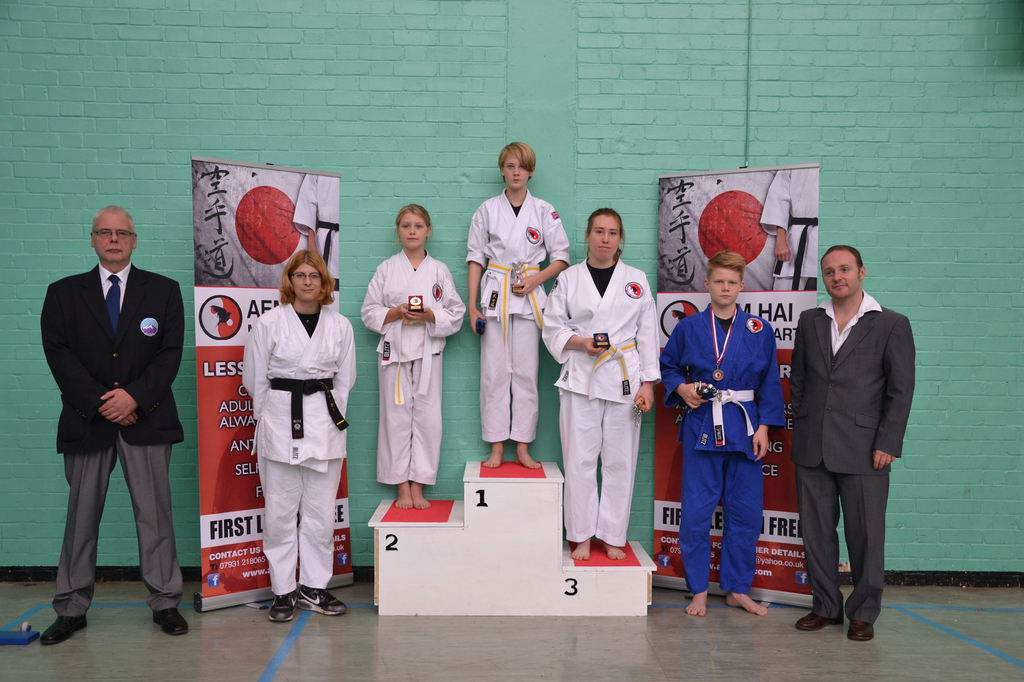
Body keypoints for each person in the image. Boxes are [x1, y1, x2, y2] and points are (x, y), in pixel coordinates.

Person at [39, 206, 188, 644]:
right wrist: (102, 403)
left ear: (134, 240)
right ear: (92, 239)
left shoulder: (164, 291)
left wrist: (134, 397)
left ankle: (165, 602)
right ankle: (71, 607)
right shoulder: (63, 293)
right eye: (105, 232)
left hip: (147, 418)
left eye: (122, 233)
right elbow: (59, 354)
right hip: (88, 420)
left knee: (155, 516)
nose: (114, 239)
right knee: (81, 519)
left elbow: (170, 354)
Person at [790, 245, 915, 641]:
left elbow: (900, 390)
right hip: (812, 445)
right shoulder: (810, 320)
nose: (837, 277)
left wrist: (888, 442)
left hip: (866, 448)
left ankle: (863, 612)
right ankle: (826, 607)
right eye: (829, 272)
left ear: (862, 272)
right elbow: (798, 378)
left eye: (844, 269)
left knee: (866, 535)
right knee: (816, 533)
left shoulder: (892, 324)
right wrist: (804, 421)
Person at [660, 250, 785, 617]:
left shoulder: (759, 330)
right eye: (719, 281)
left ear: (742, 285)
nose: (725, 288)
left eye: (732, 282)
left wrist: (764, 427)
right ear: (707, 284)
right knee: (696, 513)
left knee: (745, 513)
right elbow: (668, 366)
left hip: (745, 428)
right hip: (702, 424)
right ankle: (698, 590)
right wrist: (682, 388)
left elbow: (770, 382)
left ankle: (737, 589)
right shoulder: (688, 327)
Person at [243, 250, 356, 623]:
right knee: (279, 513)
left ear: (324, 282)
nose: (307, 281)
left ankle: (313, 586)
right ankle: (282, 590)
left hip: (324, 423)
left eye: (314, 275)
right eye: (300, 275)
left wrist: (328, 416)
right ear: (289, 280)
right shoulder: (269, 323)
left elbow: (345, 380)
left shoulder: (340, 325)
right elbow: (254, 378)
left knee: (321, 513)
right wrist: (268, 417)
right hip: (279, 422)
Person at [542, 208, 659, 561]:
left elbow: (647, 334)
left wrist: (648, 383)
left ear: (620, 238)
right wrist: (581, 343)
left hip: (625, 378)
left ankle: (611, 535)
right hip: (581, 376)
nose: (605, 239)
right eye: (599, 231)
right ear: (588, 236)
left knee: (620, 461)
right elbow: (551, 325)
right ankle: (580, 535)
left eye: (612, 233)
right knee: (579, 459)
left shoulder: (636, 279)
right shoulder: (569, 278)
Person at [467, 142, 570, 469]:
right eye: (510, 166)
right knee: (493, 374)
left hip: (528, 298)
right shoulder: (487, 210)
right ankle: (497, 445)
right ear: (502, 169)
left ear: (531, 171)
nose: (516, 172)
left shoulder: (544, 210)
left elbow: (561, 258)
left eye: (522, 167)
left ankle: (523, 445)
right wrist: (472, 306)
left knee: (526, 374)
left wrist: (536, 280)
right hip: (495, 296)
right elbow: (475, 259)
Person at [361, 205, 465, 509]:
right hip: (394, 351)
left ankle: (418, 484)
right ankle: (401, 486)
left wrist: (430, 315)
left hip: (428, 349)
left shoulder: (439, 270)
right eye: (406, 226)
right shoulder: (386, 269)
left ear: (428, 231)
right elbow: (368, 311)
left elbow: (456, 312)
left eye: (418, 226)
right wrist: (396, 312)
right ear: (398, 231)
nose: (412, 231)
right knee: (394, 418)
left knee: (428, 419)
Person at [760, 166, 819, 291]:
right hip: (797, 238)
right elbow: (778, 200)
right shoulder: (792, 165)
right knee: (785, 292)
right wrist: (781, 241)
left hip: (828, 236)